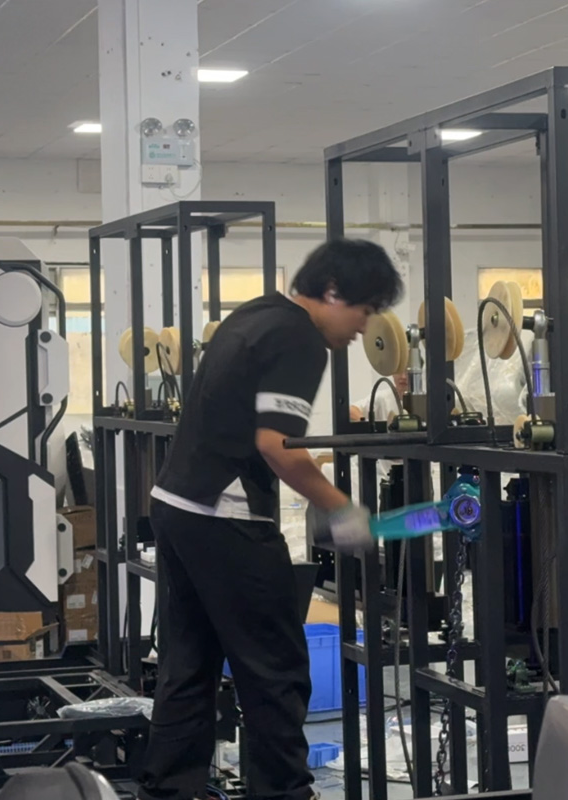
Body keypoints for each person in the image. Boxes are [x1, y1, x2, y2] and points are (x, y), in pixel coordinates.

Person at [137, 239, 403, 800]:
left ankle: (167, 792)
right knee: (275, 669)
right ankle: (282, 793)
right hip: (224, 515)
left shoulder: (256, 313)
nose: (364, 328)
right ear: (333, 291)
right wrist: (341, 507)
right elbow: (276, 445)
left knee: (188, 666)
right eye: (364, 309)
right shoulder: (300, 338)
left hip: (176, 505)